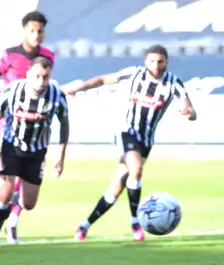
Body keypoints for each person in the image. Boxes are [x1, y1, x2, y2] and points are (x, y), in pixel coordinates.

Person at [66, 44, 197, 242]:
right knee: (135, 169)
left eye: (160, 61)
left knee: (117, 187)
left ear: (166, 62)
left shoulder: (173, 83)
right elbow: (103, 79)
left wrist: (189, 114)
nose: (156, 65)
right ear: (145, 61)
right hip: (127, 132)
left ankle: (84, 225)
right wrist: (80, 87)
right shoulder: (134, 75)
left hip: (146, 140)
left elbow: (190, 108)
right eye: (152, 61)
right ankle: (136, 221)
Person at [0, 56, 69, 253]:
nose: (40, 82)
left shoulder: (56, 95)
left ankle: (3, 209)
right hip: (11, 147)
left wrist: (61, 156)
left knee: (29, 204)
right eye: (37, 76)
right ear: (28, 74)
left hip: (37, 152)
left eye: (45, 77)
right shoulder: (12, 92)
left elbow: (64, 123)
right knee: (4, 192)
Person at [0, 11, 55, 244]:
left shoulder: (48, 56)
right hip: (10, 124)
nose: (36, 35)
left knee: (25, 183)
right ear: (24, 30)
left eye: (40, 31)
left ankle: (12, 219)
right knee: (5, 179)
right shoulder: (9, 55)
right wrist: (2, 103)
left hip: (34, 125)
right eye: (32, 30)